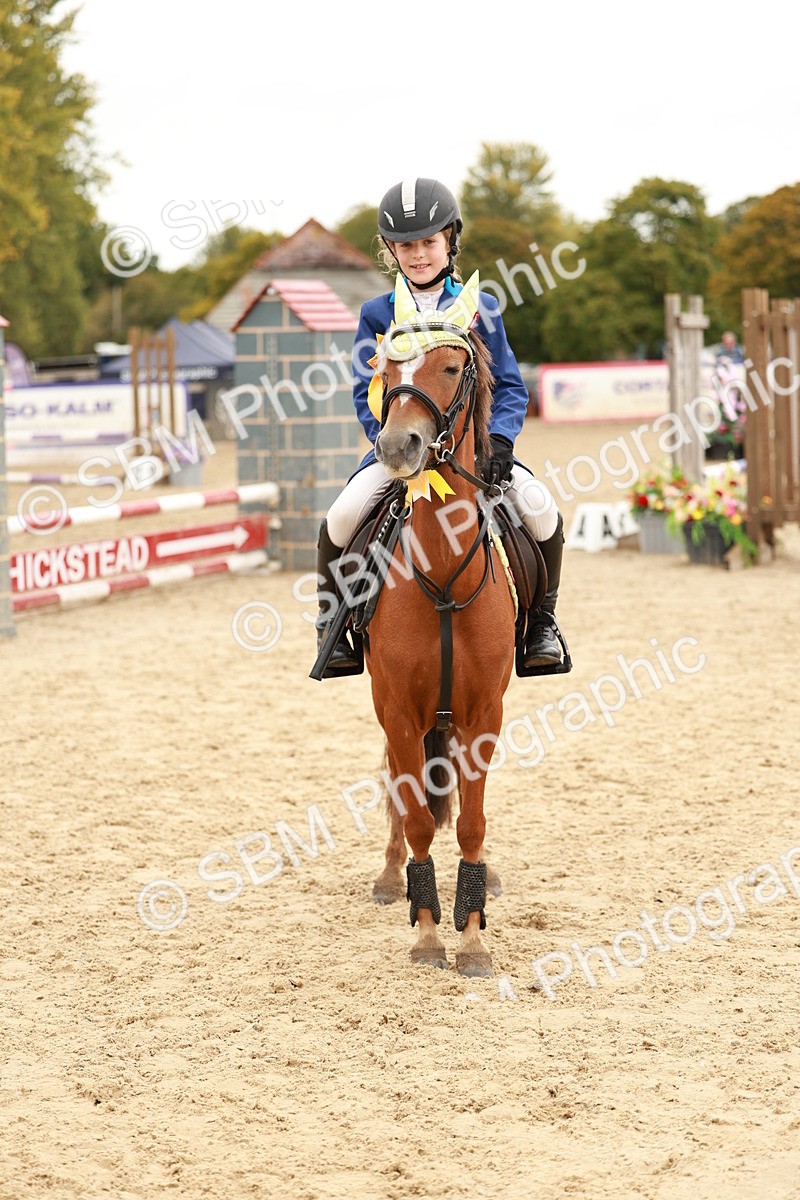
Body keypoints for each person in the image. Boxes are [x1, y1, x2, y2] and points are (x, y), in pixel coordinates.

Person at [315, 177, 566, 676]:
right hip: (402, 450)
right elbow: (367, 392)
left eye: (428, 242)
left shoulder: (482, 309)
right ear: (391, 250)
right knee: (342, 517)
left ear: (450, 241)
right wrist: (388, 446)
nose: (418, 254)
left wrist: (499, 441)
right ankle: (332, 627)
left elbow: (511, 386)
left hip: (476, 454)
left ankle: (542, 622)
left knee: (542, 510)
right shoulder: (376, 313)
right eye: (406, 245)